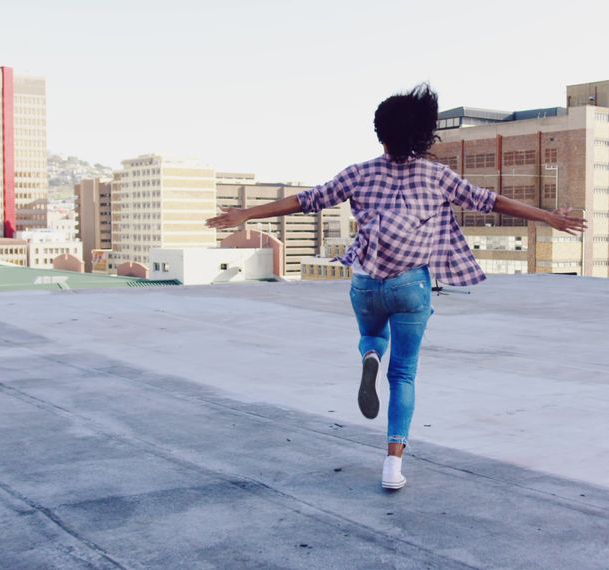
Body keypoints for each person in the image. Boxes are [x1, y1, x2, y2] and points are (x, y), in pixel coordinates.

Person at [206, 84, 587, 490]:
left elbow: (307, 200)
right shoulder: (439, 176)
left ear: (380, 133)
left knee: (371, 334)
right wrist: (549, 217)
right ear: (423, 135)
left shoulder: (359, 173)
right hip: (412, 286)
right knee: (403, 376)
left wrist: (247, 213)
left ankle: (371, 354)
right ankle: (393, 466)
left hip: (367, 282)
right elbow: (490, 201)